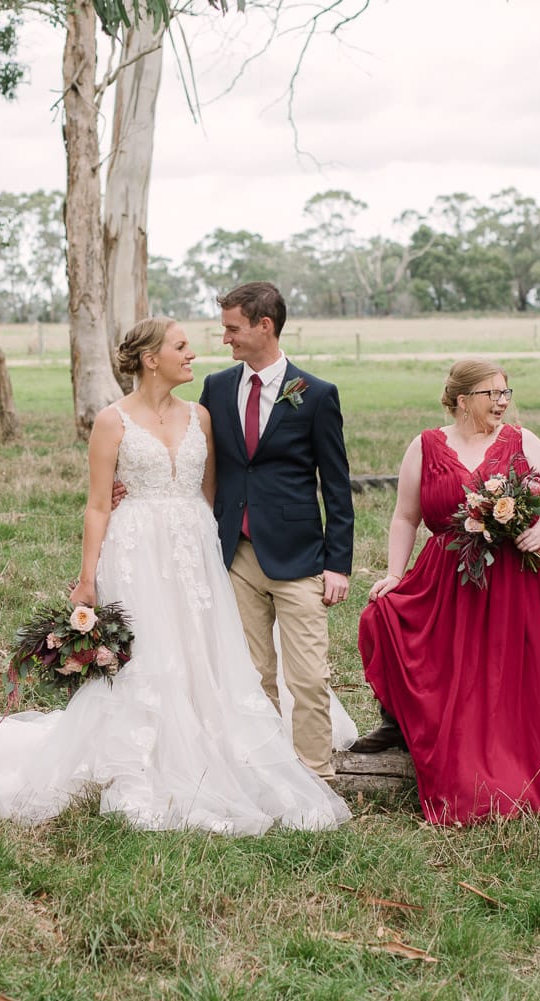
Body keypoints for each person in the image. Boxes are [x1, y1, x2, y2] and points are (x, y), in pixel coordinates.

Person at [0, 318, 349, 834]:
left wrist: (205, 548)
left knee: (201, 650)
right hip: (136, 549)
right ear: (150, 359)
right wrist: (86, 578)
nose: (193, 354)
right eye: (181, 347)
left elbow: (212, 492)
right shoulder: (111, 421)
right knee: (148, 657)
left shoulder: (202, 415)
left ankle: (217, 748)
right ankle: (137, 763)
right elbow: (96, 505)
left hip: (195, 549)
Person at [357, 359, 540, 825]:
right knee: (382, 615)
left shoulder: (522, 441)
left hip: (522, 579)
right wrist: (395, 575)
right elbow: (405, 517)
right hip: (451, 580)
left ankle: (531, 769)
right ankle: (405, 727)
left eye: (505, 393)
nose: (503, 402)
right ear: (462, 400)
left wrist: (539, 532)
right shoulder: (425, 447)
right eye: (491, 394)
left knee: (517, 679)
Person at [195, 282, 354, 780]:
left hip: (300, 556)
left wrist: (338, 563)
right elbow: (202, 463)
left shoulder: (315, 394)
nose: (225, 339)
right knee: (252, 673)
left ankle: (316, 773)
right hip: (235, 553)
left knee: (307, 676)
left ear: (265, 326)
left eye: (232, 328)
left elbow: (337, 486)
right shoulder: (216, 388)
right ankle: (265, 772)